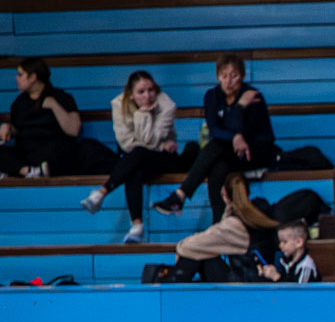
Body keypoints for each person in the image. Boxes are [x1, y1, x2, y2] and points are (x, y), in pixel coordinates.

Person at [151, 55, 276, 222]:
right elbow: (215, 129)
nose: (229, 81)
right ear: (218, 77)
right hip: (227, 153)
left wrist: (239, 107)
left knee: (216, 147)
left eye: (234, 76)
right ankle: (218, 223)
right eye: (224, 76)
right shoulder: (212, 96)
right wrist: (235, 137)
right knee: (217, 167)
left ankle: (180, 195)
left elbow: (245, 132)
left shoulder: (252, 96)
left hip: (253, 152)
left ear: (242, 76)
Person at [80, 71, 191, 242]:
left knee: (137, 155)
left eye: (151, 90)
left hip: (164, 158)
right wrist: (157, 142)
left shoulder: (166, 105)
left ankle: (102, 192)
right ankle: (137, 227)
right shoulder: (119, 105)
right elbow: (126, 144)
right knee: (135, 168)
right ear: (130, 94)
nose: (147, 96)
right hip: (136, 159)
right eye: (141, 92)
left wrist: (142, 115)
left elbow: (150, 141)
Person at [161, 172, 279, 282]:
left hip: (246, 281)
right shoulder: (258, 211)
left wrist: (179, 248)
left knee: (196, 253)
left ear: (225, 196)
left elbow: (191, 245)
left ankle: (171, 285)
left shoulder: (235, 225)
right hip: (257, 275)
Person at [0, 58, 82, 177]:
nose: (16, 78)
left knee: (60, 150)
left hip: (50, 153)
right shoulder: (19, 103)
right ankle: (27, 171)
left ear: (33, 77)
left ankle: (13, 171)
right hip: (25, 153)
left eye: (20, 75)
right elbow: (17, 129)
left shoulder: (62, 98)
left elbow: (74, 130)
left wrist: (54, 105)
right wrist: (8, 127)